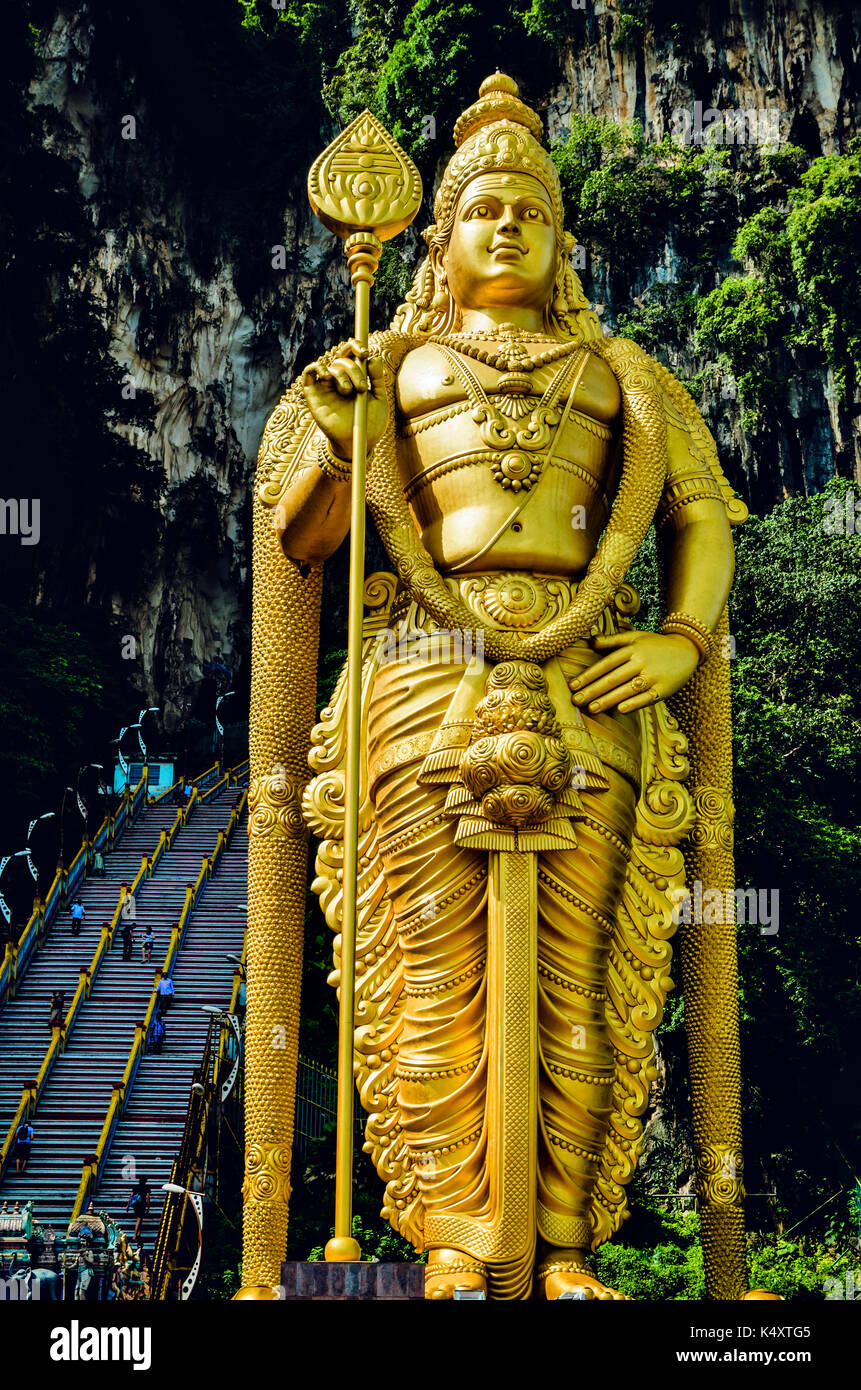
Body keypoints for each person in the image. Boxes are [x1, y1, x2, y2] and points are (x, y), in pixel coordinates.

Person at [255, 73, 750, 1300]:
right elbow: (306, 539)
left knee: (587, 974)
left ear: (564, 242)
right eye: (484, 209)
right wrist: (334, 429)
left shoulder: (625, 373)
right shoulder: (394, 358)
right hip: (426, 680)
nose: (509, 226)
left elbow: (704, 517)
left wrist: (683, 638)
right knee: (427, 967)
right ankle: (451, 1241)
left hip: (593, 682)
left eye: (532, 209)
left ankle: (571, 1245)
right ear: (440, 239)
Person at [127, 1179, 150, 1244]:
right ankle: (134, 1236)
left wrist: (128, 1205)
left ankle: (138, 1234)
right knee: (139, 1219)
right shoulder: (146, 1187)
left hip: (136, 1205)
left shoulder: (136, 1187)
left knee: (140, 1219)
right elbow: (147, 1197)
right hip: (142, 1205)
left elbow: (131, 1196)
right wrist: (148, 1207)